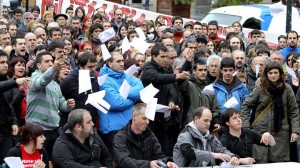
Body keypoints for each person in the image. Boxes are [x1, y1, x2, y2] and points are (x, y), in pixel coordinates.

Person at [241, 61, 300, 163]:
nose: (273, 75)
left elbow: (294, 110)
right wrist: (246, 126)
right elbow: (246, 105)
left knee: (279, 162)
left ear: (281, 73)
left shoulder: (287, 89)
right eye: (270, 73)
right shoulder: (261, 88)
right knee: (260, 161)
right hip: (260, 131)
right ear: (266, 74)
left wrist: (295, 130)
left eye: (276, 73)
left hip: (281, 133)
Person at [26, 51, 75, 160]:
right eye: (47, 61)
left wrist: (68, 105)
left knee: (52, 161)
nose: (50, 63)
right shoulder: (33, 78)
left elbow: (61, 104)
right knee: (38, 162)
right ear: (38, 65)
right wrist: (53, 70)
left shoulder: (55, 84)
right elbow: (42, 82)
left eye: (51, 61)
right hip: (36, 130)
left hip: (53, 129)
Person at [98, 51, 144, 154]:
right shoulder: (104, 80)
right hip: (113, 128)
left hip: (127, 125)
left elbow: (141, 89)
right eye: (118, 61)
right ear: (110, 63)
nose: (122, 64)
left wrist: (123, 94)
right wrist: (133, 99)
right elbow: (116, 103)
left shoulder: (125, 76)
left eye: (123, 61)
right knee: (118, 160)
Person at [113, 103, 178, 168]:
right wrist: (148, 164)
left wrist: (167, 162)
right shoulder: (120, 137)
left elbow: (158, 156)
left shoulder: (150, 135)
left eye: (148, 119)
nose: (147, 122)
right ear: (134, 117)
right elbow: (124, 161)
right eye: (144, 118)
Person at [173, 107, 239, 167]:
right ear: (196, 119)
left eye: (210, 121)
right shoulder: (185, 134)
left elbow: (222, 150)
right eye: (205, 120)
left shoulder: (210, 135)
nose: (208, 124)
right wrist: (212, 155)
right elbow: (187, 151)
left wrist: (233, 156)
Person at [0, 49, 30, 164]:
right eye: (1, 62)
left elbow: (9, 106)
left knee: (7, 163)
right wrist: (16, 81)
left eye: (6, 62)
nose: (5, 65)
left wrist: (14, 122)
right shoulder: (10, 82)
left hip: (6, 132)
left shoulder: (7, 80)